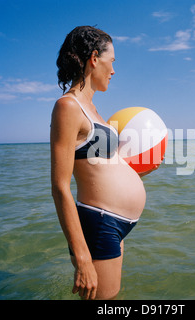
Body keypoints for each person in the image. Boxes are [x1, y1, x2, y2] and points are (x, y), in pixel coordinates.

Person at [50, 26, 159, 300]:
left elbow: (101, 166)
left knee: (112, 298)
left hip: (116, 222)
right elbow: (60, 186)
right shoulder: (68, 107)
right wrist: (81, 255)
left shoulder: (94, 110)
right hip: (100, 223)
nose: (113, 70)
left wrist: (137, 175)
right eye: (112, 61)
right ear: (94, 58)